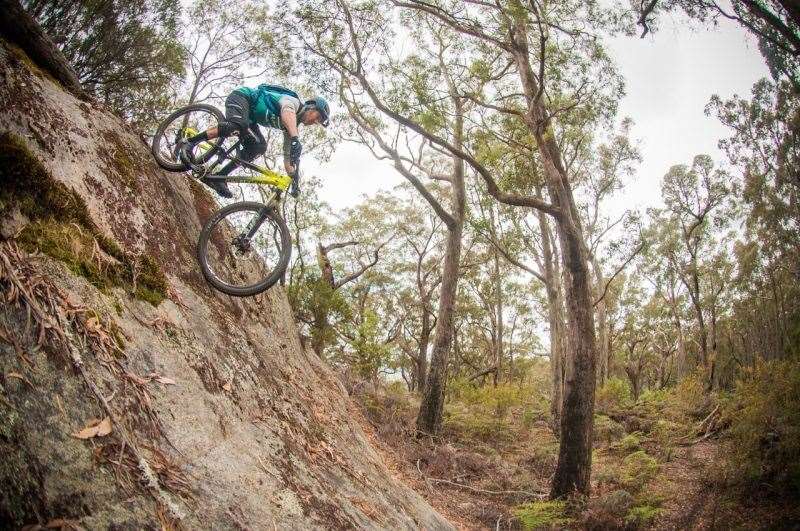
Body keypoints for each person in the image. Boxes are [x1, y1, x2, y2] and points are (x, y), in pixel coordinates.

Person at [185, 84, 329, 198]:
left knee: (259, 147)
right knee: (238, 125)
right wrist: (295, 138)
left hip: (249, 119)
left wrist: (294, 178)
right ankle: (190, 142)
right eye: (317, 117)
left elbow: (287, 156)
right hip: (242, 97)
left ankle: (219, 177)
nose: (315, 122)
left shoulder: (291, 126)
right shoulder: (294, 103)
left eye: (318, 122)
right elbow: (287, 111)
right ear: (311, 107)